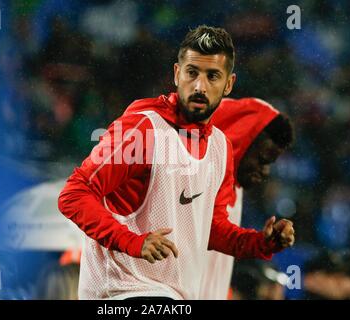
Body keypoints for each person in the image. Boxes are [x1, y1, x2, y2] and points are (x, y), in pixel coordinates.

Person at [58, 25, 295, 299]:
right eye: (192, 72)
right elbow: (74, 194)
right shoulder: (142, 129)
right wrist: (133, 242)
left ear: (228, 84)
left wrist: (261, 243)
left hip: (173, 298)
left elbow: (211, 229)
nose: (199, 86)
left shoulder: (219, 146)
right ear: (176, 74)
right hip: (121, 294)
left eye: (212, 76)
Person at [200, 98, 295, 299]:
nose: (266, 171)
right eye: (262, 160)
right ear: (237, 142)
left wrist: (264, 243)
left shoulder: (236, 187)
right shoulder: (196, 183)